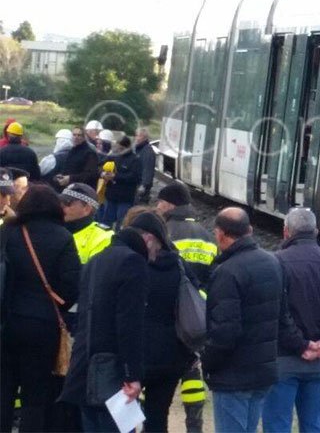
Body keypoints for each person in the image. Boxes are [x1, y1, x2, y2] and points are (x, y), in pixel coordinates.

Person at [262, 208, 320, 433]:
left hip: (282, 359)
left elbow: (276, 311)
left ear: (286, 232)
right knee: (314, 426)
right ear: (316, 232)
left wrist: (300, 344)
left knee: (277, 425)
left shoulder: (275, 264)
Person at [0, 185, 81, 432]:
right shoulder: (63, 236)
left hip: (5, 322)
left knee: (3, 391)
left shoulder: (6, 232)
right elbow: (72, 284)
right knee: (36, 396)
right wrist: (59, 306)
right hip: (43, 326)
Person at [59, 225, 152, 432]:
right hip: (112, 374)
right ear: (148, 239)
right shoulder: (133, 263)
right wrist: (132, 375)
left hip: (85, 367)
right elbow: (129, 324)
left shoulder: (96, 260)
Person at [201, 207, 282, 433]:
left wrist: (207, 361)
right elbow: (282, 315)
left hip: (233, 375)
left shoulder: (227, 272)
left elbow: (225, 331)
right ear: (250, 230)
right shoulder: (272, 262)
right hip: (262, 370)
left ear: (220, 234)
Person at [129, 211, 197, 433]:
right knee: (158, 416)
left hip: (136, 354)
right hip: (171, 355)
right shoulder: (179, 264)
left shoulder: (133, 264)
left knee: (125, 416)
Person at [156, 182, 216, 433]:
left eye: (159, 202)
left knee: (158, 376)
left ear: (169, 204)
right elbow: (214, 277)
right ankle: (195, 425)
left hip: (167, 314)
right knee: (192, 369)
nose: (157, 207)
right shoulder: (207, 235)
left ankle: (155, 420)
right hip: (196, 316)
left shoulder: (164, 233)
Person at [60, 183, 112, 264]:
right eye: (60, 202)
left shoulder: (102, 237)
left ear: (87, 209)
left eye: (67, 203)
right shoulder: (54, 229)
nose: (61, 206)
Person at [97, 136, 140, 229]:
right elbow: (100, 165)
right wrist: (103, 174)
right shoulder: (114, 156)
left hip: (125, 198)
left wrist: (115, 176)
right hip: (110, 196)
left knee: (121, 224)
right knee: (105, 223)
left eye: (120, 148)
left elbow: (134, 177)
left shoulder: (134, 160)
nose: (118, 150)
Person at [134, 128, 155, 204]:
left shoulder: (147, 152)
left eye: (139, 136)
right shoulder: (138, 149)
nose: (136, 138)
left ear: (145, 137)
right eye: (136, 135)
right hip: (135, 185)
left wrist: (144, 185)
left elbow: (148, 170)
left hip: (140, 188)